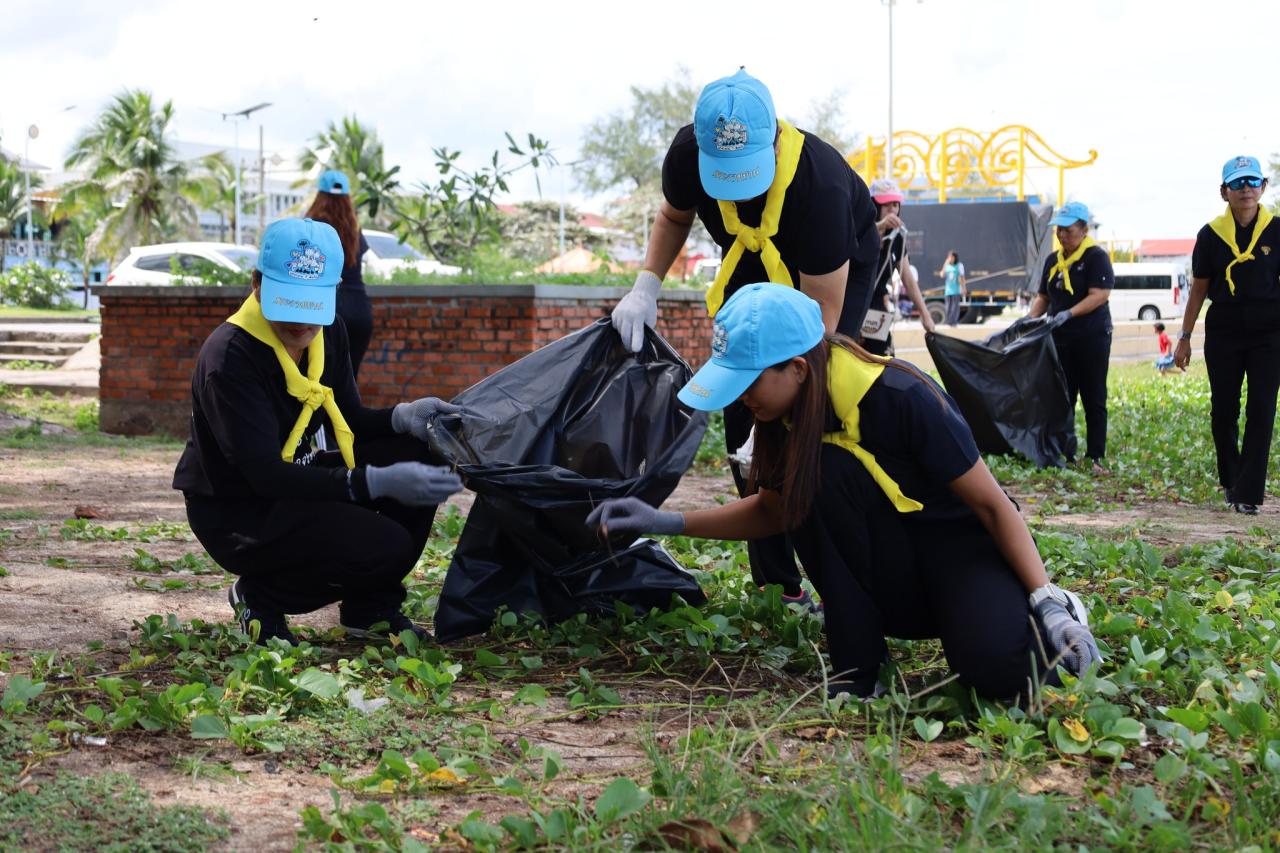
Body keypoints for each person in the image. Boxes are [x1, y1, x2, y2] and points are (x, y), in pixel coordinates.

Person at [588, 284, 1099, 699]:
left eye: (748, 382)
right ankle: (859, 668)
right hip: (895, 573)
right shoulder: (785, 419)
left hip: (962, 557)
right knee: (823, 472)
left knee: (1000, 676)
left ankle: (1050, 611)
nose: (741, 398)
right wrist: (666, 522)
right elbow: (774, 511)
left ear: (798, 369)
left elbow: (992, 506)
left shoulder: (902, 396)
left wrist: (1046, 601)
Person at [610, 68, 881, 603]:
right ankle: (779, 586)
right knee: (744, 411)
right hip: (748, 261)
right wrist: (645, 286)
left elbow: (818, 325)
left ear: (774, 139)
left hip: (830, 274)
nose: (737, 186)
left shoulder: (821, 188)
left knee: (815, 402)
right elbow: (673, 216)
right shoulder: (686, 154)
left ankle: (840, 568)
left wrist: (784, 413)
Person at [172, 217, 465, 644]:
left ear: (333, 292)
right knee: (385, 544)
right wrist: (370, 482)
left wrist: (402, 417)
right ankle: (261, 597)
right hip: (240, 510)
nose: (300, 325)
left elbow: (348, 418)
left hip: (299, 475)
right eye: (288, 303)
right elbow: (264, 475)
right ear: (257, 284)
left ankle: (371, 608)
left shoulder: (330, 332)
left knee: (421, 452)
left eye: (311, 306)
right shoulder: (230, 357)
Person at [1175, 155, 1280, 515]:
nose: (1245, 189)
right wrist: (1185, 337)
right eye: (1237, 183)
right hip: (1225, 333)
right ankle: (1230, 479)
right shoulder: (1210, 235)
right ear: (1224, 192)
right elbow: (1199, 289)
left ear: (1263, 188)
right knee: (1223, 411)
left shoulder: (1276, 230)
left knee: (1262, 409)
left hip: (1270, 334)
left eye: (1252, 181)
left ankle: (1248, 493)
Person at [1028, 202, 1114, 473]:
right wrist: (1029, 320)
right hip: (1060, 339)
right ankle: (1064, 453)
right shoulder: (1053, 260)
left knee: (1093, 396)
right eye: (1059, 230)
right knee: (1063, 397)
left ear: (1084, 230)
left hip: (1091, 337)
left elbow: (1099, 295)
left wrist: (1069, 313)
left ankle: (1095, 457)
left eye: (1068, 230)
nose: (1062, 235)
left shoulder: (1096, 257)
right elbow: (1043, 297)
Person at [306, 170, 373, 378]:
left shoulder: (312, 227)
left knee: (321, 381)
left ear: (320, 195)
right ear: (347, 197)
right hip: (360, 309)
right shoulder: (354, 227)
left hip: (328, 308)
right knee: (349, 382)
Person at [861, 178, 934, 356]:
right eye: (886, 205)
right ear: (874, 206)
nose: (892, 210)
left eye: (895, 204)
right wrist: (880, 227)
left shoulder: (897, 238)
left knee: (885, 358)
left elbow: (908, 279)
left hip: (877, 310)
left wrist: (925, 315)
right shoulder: (860, 230)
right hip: (853, 305)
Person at [937, 251, 967, 326]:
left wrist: (963, 288)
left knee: (955, 307)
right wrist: (945, 264)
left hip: (956, 290)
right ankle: (949, 321)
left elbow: (962, 277)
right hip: (948, 290)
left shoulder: (959, 265)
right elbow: (942, 275)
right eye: (949, 257)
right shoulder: (947, 266)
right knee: (948, 307)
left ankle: (954, 322)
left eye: (951, 257)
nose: (950, 259)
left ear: (954, 258)